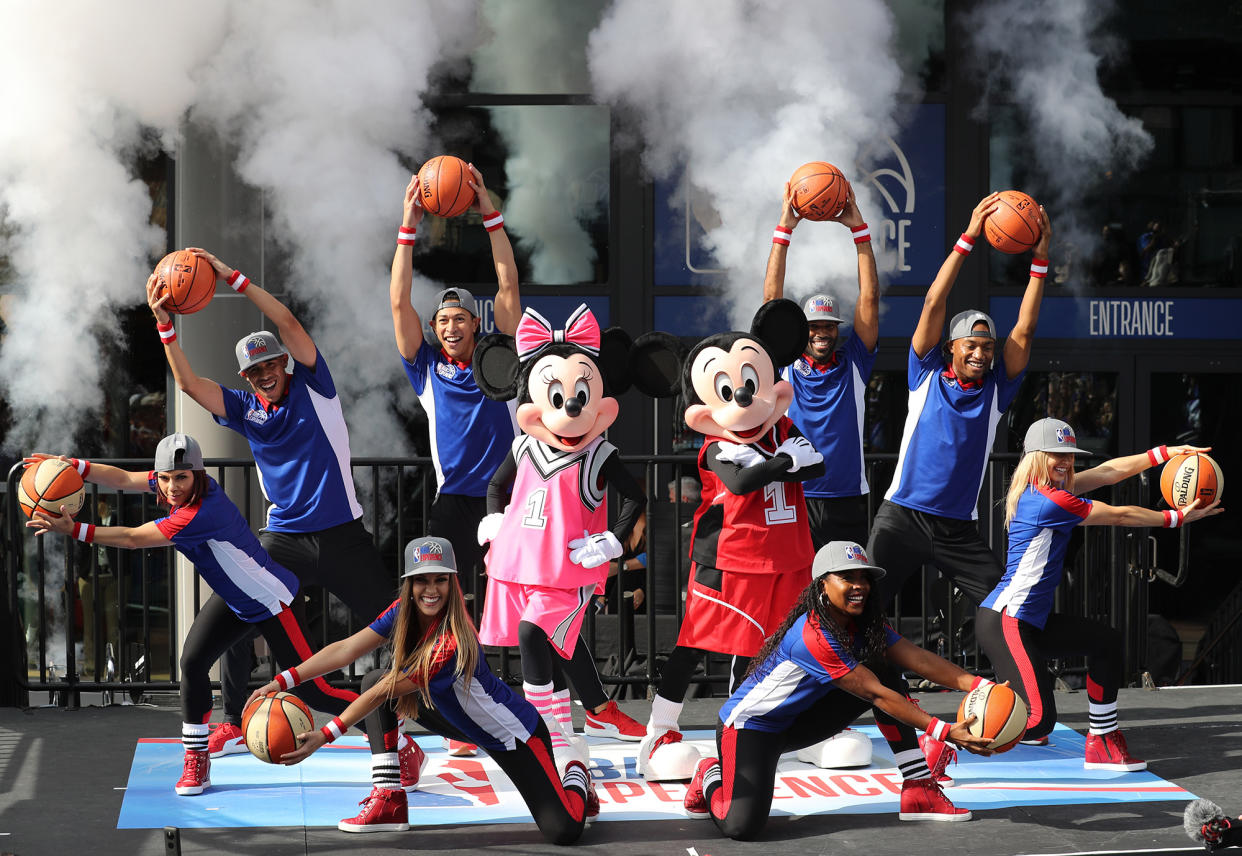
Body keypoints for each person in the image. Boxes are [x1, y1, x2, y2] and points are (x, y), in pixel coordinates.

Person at [147, 253, 395, 759]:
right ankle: (235, 720)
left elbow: (287, 322)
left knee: (405, 631)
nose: (262, 373)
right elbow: (190, 385)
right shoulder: (244, 408)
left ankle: (422, 725)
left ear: (284, 362)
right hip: (282, 540)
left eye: (268, 364)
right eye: (252, 369)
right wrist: (165, 326)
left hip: (342, 537)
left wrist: (232, 278)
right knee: (235, 618)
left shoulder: (315, 386)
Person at [24, 434, 360, 797]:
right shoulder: (174, 484)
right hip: (236, 600)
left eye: (180, 478)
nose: (171, 487)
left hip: (273, 600)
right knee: (193, 662)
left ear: (197, 474)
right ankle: (197, 760)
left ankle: (391, 731)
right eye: (165, 478)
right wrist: (75, 467)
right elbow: (122, 479)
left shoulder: (200, 511)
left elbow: (134, 538)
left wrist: (73, 529)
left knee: (317, 693)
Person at [268, 536, 597, 840]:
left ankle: (575, 772)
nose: (431, 589)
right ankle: (388, 799)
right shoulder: (402, 612)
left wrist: (324, 736)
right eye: (422, 580)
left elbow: (384, 692)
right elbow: (347, 649)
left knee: (563, 831)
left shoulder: (452, 639)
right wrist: (283, 680)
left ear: (452, 583)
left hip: (514, 737)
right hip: (455, 718)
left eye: (440, 579)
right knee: (373, 679)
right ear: (409, 585)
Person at [682, 541, 995, 840]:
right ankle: (709, 773)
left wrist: (981, 686)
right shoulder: (812, 636)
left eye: (864, 577)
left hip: (800, 720)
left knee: (885, 670)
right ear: (822, 585)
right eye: (847, 577)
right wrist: (944, 730)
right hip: (751, 728)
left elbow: (916, 657)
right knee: (741, 827)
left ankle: (919, 787)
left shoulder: (863, 624)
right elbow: (876, 695)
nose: (859, 585)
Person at [977, 419, 1222, 767]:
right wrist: (1174, 519)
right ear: (1035, 457)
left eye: (1069, 456)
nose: (1065, 462)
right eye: (1055, 455)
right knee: (1039, 722)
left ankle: (1102, 740)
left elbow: (1108, 471)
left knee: (1105, 642)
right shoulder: (1048, 500)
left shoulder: (1051, 488)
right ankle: (949, 738)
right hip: (1007, 622)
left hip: (1027, 621)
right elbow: (1119, 516)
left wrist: (1167, 453)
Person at [475, 305, 650, 757]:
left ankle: (545, 728)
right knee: (553, 641)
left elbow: (635, 498)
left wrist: (612, 539)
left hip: (567, 567)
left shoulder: (598, 453)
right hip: (517, 561)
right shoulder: (525, 444)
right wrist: (495, 521)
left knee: (536, 633)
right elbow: (497, 485)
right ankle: (595, 710)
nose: (570, 405)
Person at [390, 166, 522, 756]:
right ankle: (441, 705)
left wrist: (489, 211)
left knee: (519, 605)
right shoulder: (427, 370)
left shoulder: (502, 359)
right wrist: (409, 225)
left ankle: (531, 706)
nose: (447, 326)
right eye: (441, 320)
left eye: (457, 319)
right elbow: (398, 302)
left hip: (508, 502)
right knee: (435, 608)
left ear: (477, 324)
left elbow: (508, 284)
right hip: (453, 506)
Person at [868, 193, 1052, 610]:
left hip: (957, 530)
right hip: (901, 517)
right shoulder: (925, 374)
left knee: (1004, 610)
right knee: (861, 612)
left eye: (987, 347)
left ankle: (1010, 676)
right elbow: (934, 300)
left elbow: (1025, 328)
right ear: (951, 347)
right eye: (971, 345)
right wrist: (968, 237)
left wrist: (1040, 259)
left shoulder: (996, 390)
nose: (981, 354)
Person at [763, 181, 880, 547]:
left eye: (829, 326)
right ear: (802, 329)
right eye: (813, 327)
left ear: (837, 329)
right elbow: (770, 302)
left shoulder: (854, 363)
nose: (821, 333)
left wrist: (858, 229)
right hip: (793, 494)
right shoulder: (783, 363)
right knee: (796, 592)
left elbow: (870, 298)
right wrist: (785, 228)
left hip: (846, 497)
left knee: (846, 591)